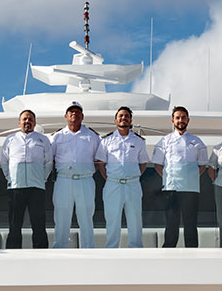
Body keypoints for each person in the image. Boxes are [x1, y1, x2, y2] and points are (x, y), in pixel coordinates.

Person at [153, 106, 208, 248]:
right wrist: (170, 177)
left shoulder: (197, 142)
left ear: (188, 120)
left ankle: (192, 253)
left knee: (191, 224)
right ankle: (168, 253)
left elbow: (202, 166)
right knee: (171, 223)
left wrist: (190, 177)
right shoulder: (164, 141)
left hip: (191, 189)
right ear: (172, 120)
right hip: (171, 188)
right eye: (178, 117)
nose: (181, 120)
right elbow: (158, 165)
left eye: (183, 117)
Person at [95, 107, 149, 248]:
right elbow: (101, 163)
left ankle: (136, 248)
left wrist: (134, 175)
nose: (123, 118)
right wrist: (109, 177)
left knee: (135, 219)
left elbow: (143, 163)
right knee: (112, 218)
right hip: (113, 184)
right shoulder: (106, 141)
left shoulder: (139, 141)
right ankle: (112, 248)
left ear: (130, 120)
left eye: (126, 116)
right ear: (115, 120)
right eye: (120, 116)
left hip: (133, 185)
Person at [50, 101, 101, 248]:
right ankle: (60, 249)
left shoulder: (92, 136)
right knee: (61, 217)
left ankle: (88, 250)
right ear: (66, 116)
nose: (74, 114)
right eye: (71, 111)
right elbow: (51, 159)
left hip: (85, 180)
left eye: (77, 112)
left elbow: (98, 160)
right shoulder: (57, 137)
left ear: (82, 116)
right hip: (63, 180)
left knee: (86, 218)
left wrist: (83, 172)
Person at [1, 110, 53, 248]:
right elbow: (4, 162)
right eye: (24, 119)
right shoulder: (10, 139)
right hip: (15, 188)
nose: (27, 121)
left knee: (38, 223)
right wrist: (10, 178)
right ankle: (13, 253)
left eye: (30, 119)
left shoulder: (43, 140)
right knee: (14, 224)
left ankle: (41, 252)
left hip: (36, 187)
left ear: (35, 123)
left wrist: (41, 179)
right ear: (19, 122)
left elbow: (48, 163)